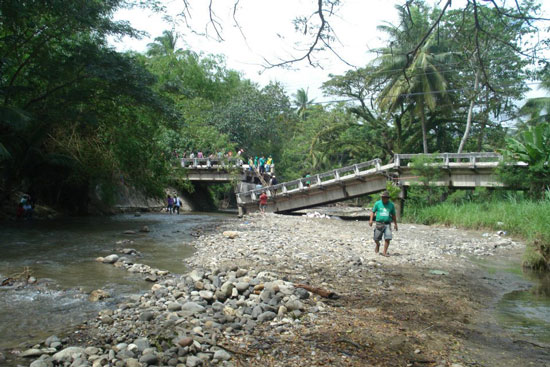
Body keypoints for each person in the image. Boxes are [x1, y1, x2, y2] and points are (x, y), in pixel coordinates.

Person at [369, 190, 398, 257]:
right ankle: (378, 244)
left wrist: (395, 224)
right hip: (379, 223)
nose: (383, 198)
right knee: (376, 238)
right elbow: (373, 212)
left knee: (388, 238)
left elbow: (393, 215)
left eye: (384, 197)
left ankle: (384, 252)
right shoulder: (377, 203)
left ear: (388, 198)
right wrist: (371, 220)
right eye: (382, 197)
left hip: (387, 224)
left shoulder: (391, 205)